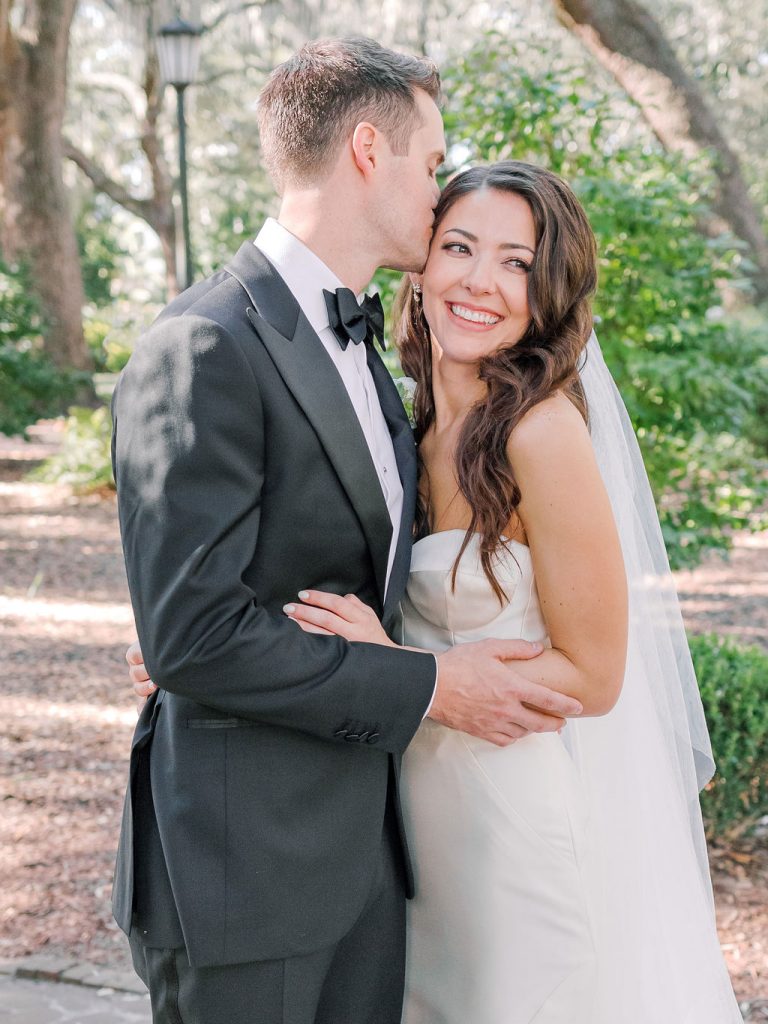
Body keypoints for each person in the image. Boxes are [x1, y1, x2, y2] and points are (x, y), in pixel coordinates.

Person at [112, 40, 582, 1024]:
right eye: (430, 158)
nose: (439, 186)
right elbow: (194, 635)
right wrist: (432, 683)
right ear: (370, 149)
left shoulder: (369, 350)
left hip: (370, 866)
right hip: (246, 878)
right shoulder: (205, 343)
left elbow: (323, 586)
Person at [280, 162, 743, 1021]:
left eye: (516, 263)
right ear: (421, 261)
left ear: (549, 290)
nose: (479, 282)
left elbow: (595, 676)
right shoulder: (403, 420)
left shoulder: (542, 433)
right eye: (459, 247)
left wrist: (403, 673)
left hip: (503, 822)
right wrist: (207, 652)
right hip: (408, 821)